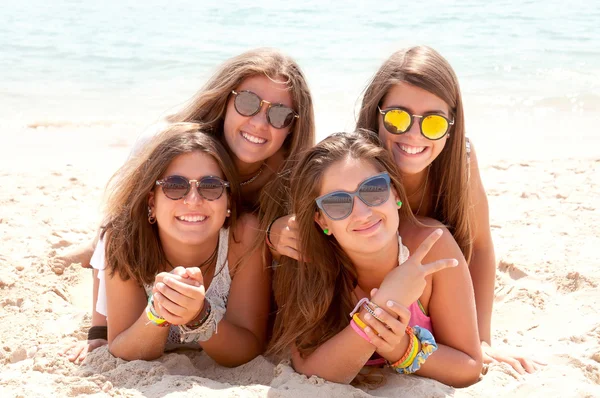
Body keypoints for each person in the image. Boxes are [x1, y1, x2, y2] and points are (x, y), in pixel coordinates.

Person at [267, 46, 543, 374]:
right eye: (398, 118)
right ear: (377, 113)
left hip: (434, 288)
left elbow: (481, 247)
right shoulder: (355, 163)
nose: (414, 134)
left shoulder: (458, 164)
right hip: (364, 286)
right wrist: (275, 231)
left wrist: (482, 339)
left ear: (452, 126)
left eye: (434, 122)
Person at [62, 48, 315, 363]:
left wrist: (272, 233)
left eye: (279, 114)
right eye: (247, 103)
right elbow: (122, 220)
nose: (260, 123)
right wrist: (100, 330)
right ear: (225, 100)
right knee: (114, 233)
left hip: (232, 254)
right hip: (162, 233)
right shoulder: (170, 146)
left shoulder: (290, 176)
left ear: (293, 125)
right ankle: (88, 250)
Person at [268, 131, 482, 387]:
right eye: (337, 203)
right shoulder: (307, 260)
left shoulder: (431, 246)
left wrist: (400, 347)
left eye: (373, 189)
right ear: (321, 220)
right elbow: (310, 370)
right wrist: (380, 309)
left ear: (396, 194)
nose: (362, 212)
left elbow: (468, 366)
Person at [103, 123, 270, 365]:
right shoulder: (124, 239)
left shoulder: (244, 237)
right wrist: (158, 312)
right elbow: (121, 348)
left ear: (228, 202)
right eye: (175, 186)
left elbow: (247, 350)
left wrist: (199, 316)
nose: (193, 200)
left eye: (211, 187)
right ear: (151, 202)